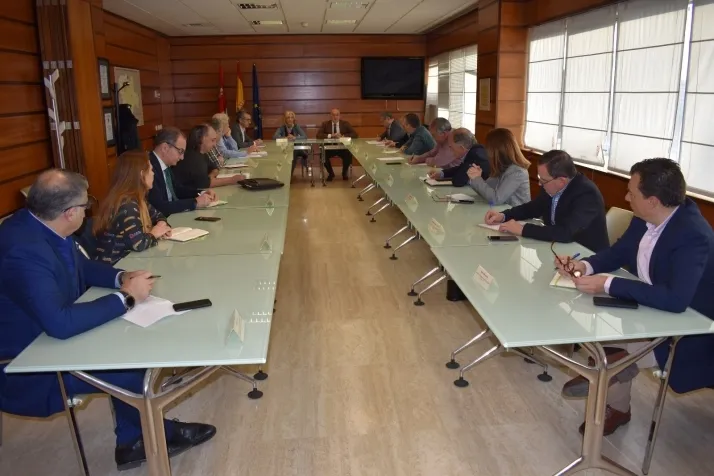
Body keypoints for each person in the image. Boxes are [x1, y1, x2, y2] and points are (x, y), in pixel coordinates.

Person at [0, 170, 216, 470]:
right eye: (85, 205)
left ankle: (131, 439)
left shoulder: (41, 224)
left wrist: (121, 277)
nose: (88, 210)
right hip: (28, 359)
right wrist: (126, 298)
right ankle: (145, 439)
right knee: (131, 367)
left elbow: (82, 267)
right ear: (69, 213)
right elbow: (60, 324)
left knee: (132, 345)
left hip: (49, 334)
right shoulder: (23, 250)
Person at [554, 158, 714, 435]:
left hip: (691, 326)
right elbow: (619, 252)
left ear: (653, 201)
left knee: (612, 352)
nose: (626, 197)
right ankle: (614, 388)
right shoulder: (646, 218)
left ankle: (610, 373)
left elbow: (677, 300)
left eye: (632, 193)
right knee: (605, 335)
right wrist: (585, 265)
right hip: (651, 305)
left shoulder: (693, 235)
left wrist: (608, 283)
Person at [484, 149, 609, 252]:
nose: (539, 183)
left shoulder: (587, 195)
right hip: (556, 248)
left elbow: (566, 232)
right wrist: (504, 215)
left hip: (585, 255)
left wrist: (523, 229)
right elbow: (533, 208)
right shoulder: (551, 185)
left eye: (543, 180)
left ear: (561, 181)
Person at [93, 151, 171, 265]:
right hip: (116, 266)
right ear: (142, 175)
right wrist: (154, 234)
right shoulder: (127, 205)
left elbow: (159, 215)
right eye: (151, 170)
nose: (153, 174)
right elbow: (138, 244)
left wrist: (161, 224)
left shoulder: (138, 199)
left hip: (131, 262)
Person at [147, 126, 217, 217]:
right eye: (180, 151)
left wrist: (202, 193)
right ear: (165, 148)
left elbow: (177, 190)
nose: (182, 157)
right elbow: (159, 207)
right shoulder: (148, 168)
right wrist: (195, 202)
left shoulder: (165, 165)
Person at [465, 128, 531, 206]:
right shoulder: (501, 166)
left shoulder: (517, 172)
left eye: (488, 147)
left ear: (495, 150)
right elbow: (486, 193)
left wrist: (477, 179)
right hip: (502, 211)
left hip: (516, 213)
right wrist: (475, 177)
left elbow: (496, 199)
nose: (486, 151)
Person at [173, 124, 246, 190]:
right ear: (202, 139)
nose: (215, 145)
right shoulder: (193, 158)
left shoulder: (202, 153)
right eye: (212, 140)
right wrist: (232, 180)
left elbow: (215, 168)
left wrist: (211, 177)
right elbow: (206, 184)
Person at [316, 108, 359, 181]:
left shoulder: (345, 124)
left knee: (348, 154)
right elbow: (318, 135)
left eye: (337, 115)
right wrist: (331, 135)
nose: (335, 117)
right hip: (329, 148)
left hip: (342, 148)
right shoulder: (325, 124)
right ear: (330, 116)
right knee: (322, 155)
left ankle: (344, 173)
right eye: (333, 115)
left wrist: (343, 136)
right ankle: (331, 173)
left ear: (339, 116)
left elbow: (355, 134)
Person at [273, 110, 308, 176]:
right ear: (285, 119)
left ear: (293, 119)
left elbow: (305, 137)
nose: (290, 119)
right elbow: (274, 137)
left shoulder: (296, 127)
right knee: (281, 154)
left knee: (293, 152)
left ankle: (289, 175)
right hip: (285, 149)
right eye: (288, 118)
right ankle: (281, 174)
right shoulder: (282, 128)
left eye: (292, 118)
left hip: (297, 149)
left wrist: (294, 137)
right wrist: (285, 138)